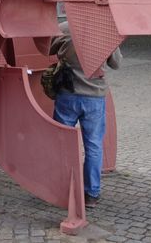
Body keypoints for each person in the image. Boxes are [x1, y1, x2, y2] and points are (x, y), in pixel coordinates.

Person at [49, 21, 122, 207]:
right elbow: (116, 64)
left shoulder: (65, 27)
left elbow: (49, 49)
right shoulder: (104, 30)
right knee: (93, 146)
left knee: (61, 143)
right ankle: (91, 194)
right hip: (94, 97)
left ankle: (61, 188)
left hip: (68, 94)